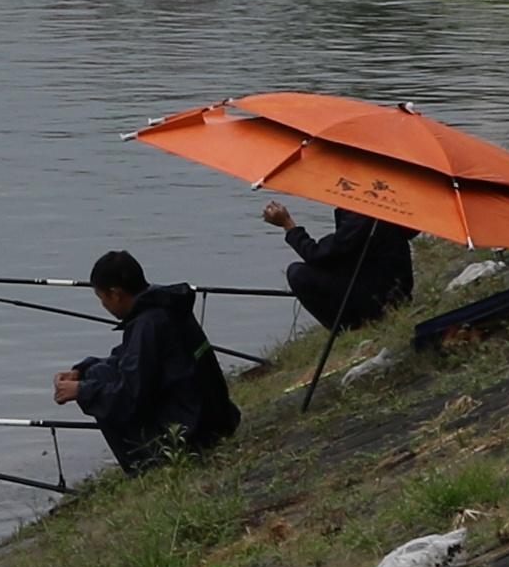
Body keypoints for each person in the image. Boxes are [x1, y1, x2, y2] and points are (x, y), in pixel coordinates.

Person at [51, 250, 238, 473]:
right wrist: (81, 371)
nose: (104, 306)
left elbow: (129, 398)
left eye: (102, 299)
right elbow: (126, 358)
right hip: (215, 418)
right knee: (96, 373)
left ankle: (145, 466)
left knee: (97, 388)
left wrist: (81, 391)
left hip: (192, 434)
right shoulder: (165, 306)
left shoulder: (147, 324)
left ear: (116, 294)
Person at [265, 200, 416, 328]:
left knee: (297, 273)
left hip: (379, 299)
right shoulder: (385, 205)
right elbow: (341, 253)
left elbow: (317, 255)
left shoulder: (360, 216)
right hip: (397, 289)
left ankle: (349, 327)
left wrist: (288, 224)